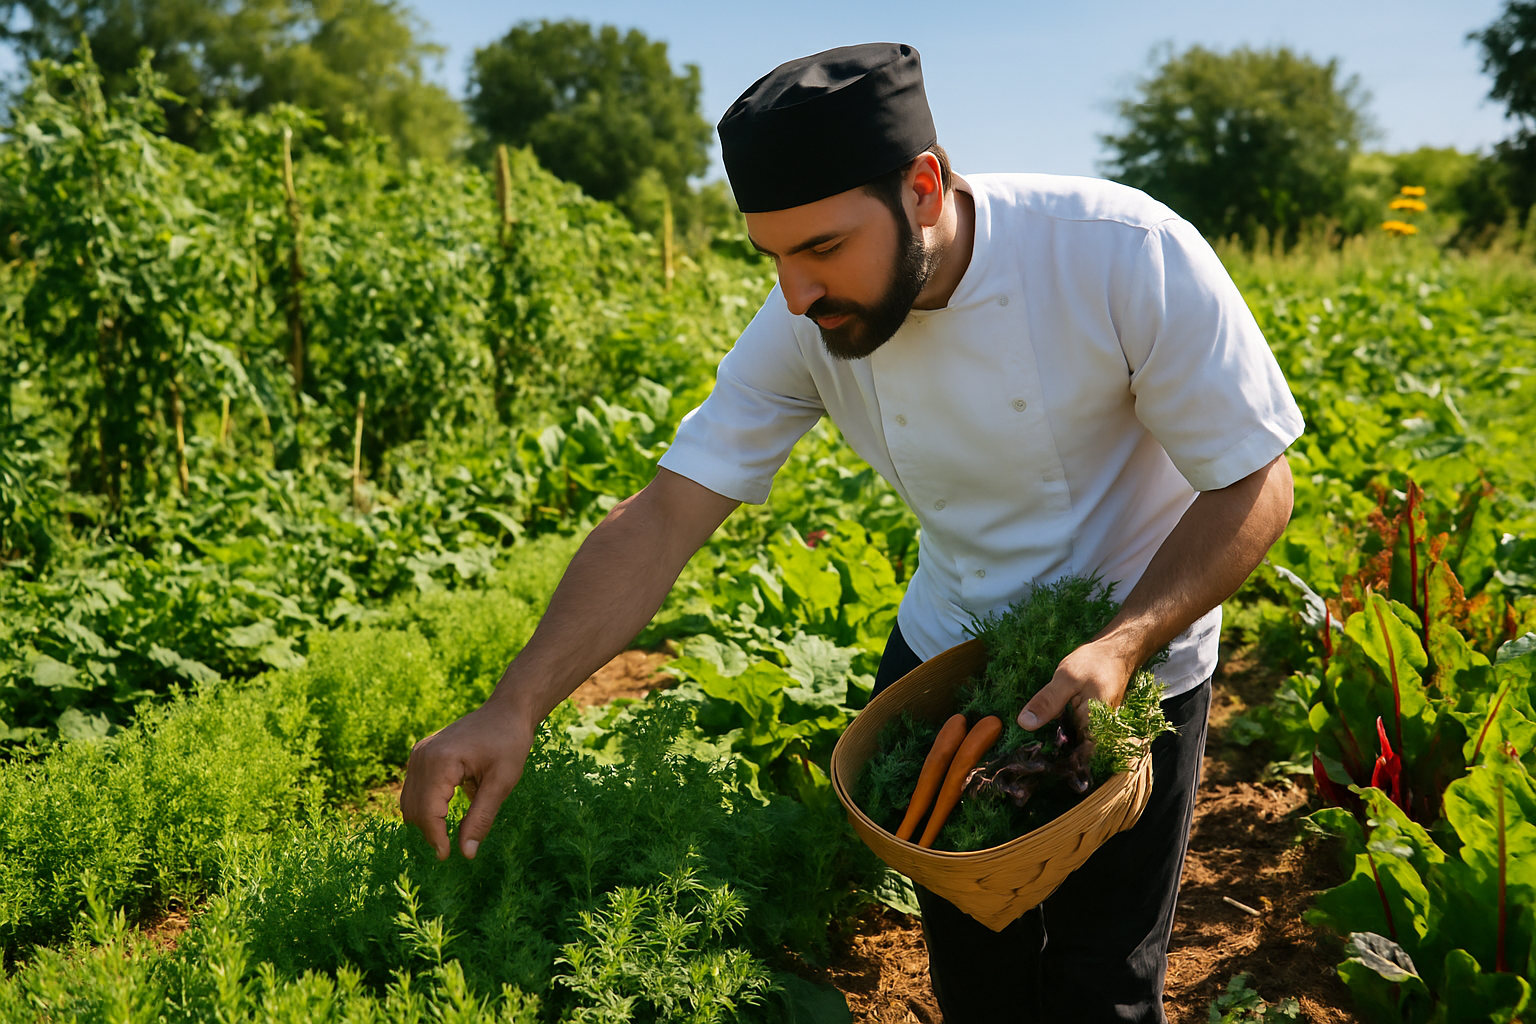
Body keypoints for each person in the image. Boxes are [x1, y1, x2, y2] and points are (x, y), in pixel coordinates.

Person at [401, 42, 1303, 1023]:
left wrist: (1124, 642)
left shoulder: (1121, 252)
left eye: (823, 248)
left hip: (1136, 657)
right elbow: (663, 517)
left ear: (924, 188)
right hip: (948, 653)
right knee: (979, 977)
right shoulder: (803, 319)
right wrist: (514, 705)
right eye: (773, 256)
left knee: (1102, 984)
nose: (795, 293)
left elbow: (1256, 484)